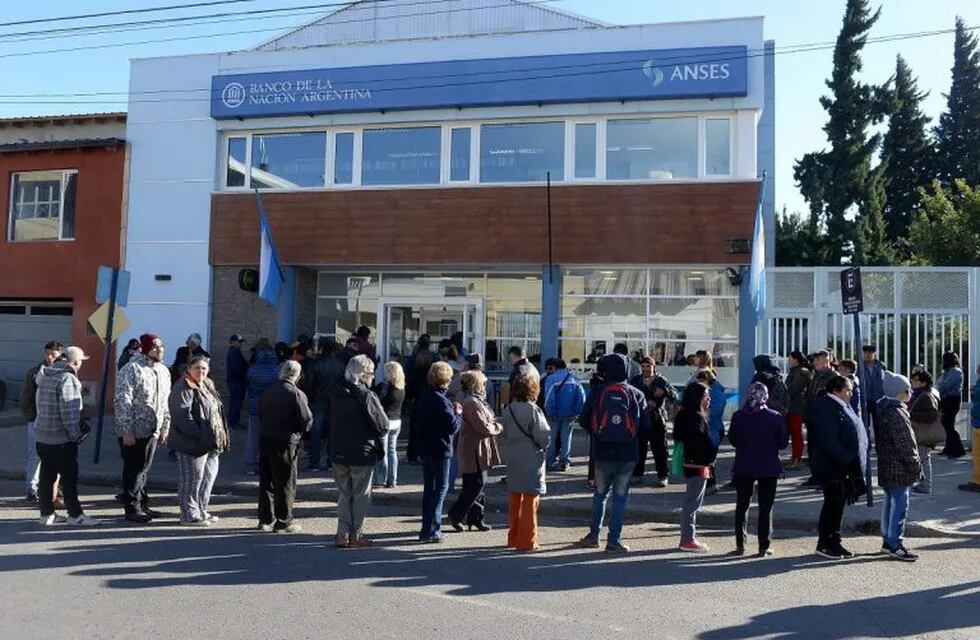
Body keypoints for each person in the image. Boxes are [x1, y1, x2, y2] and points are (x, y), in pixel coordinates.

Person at [575, 353, 648, 553]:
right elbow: (645, 427)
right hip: (627, 454)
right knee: (620, 498)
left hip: (602, 452)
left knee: (600, 495)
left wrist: (600, 432)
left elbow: (583, 420)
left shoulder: (599, 391)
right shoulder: (636, 393)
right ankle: (613, 540)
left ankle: (593, 535)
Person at [34, 346, 98, 526]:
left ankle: (46, 514)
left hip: (42, 436)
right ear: (75, 362)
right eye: (80, 362)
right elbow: (69, 414)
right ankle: (75, 515)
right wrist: (76, 435)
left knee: (46, 477)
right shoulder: (67, 378)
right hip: (61, 440)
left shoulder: (45, 375)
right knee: (69, 479)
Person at [330, 355, 388, 548]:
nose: (373, 376)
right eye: (371, 373)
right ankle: (355, 534)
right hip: (361, 451)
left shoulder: (337, 392)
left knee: (344, 493)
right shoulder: (367, 395)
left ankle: (342, 533)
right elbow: (383, 425)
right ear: (364, 374)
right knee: (361, 495)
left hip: (338, 449)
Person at [113, 333, 172, 523]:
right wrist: (126, 430)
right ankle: (132, 508)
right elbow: (122, 401)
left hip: (153, 429)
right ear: (146, 349)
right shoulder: (132, 369)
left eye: (161, 346)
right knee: (134, 469)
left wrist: (165, 427)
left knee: (144, 469)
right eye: (155, 347)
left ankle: (143, 504)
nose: (159, 349)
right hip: (134, 430)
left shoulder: (163, 371)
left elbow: (165, 402)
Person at [809, 375, 867, 560]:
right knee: (833, 504)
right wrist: (846, 457)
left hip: (842, 465)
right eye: (848, 390)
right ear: (836, 390)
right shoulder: (827, 407)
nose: (850, 394)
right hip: (833, 466)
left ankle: (834, 540)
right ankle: (826, 543)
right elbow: (829, 440)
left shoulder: (841, 406)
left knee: (837, 504)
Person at [728, 382, 788, 556]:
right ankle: (764, 545)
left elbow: (733, 440)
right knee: (765, 507)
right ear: (766, 396)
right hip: (768, 467)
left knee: (742, 506)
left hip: (744, 465)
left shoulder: (739, 416)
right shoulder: (776, 417)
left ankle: (741, 545)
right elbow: (783, 443)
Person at [168, 355, 229, 526]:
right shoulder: (182, 387)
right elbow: (181, 417)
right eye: (197, 368)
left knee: (207, 478)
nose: (200, 371)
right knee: (192, 479)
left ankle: (201, 510)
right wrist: (200, 435)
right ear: (189, 368)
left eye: (204, 368)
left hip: (210, 443)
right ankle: (188, 515)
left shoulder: (206, 384)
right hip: (192, 444)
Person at [256, 360, 313, 533]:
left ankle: (265, 518)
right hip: (286, 441)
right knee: (286, 481)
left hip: (266, 437)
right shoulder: (296, 393)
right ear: (297, 375)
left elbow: (260, 412)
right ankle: (284, 520)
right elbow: (306, 420)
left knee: (266, 480)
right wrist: (304, 434)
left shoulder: (268, 390)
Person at [448, 370, 502, 532]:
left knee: (476, 485)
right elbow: (482, 426)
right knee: (476, 484)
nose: (485, 386)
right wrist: (497, 427)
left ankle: (476, 518)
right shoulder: (471, 402)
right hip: (472, 449)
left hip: (478, 448)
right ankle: (456, 514)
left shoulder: (477, 401)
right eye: (483, 383)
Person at [875, 373, 922, 562]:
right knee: (899, 506)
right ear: (898, 393)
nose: (910, 392)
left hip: (888, 464)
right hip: (899, 467)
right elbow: (905, 443)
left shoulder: (886, 409)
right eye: (907, 390)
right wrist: (915, 464)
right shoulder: (896, 412)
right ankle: (895, 544)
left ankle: (888, 541)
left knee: (890, 503)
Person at [501, 373, 550, 552]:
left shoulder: (509, 409)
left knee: (515, 497)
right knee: (530, 500)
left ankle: (513, 537)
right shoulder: (533, 410)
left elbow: (504, 432)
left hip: (513, 456)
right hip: (531, 456)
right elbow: (543, 436)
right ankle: (527, 540)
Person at [416, 361, 462, 543]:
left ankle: (426, 528)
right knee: (440, 489)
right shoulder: (441, 400)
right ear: (445, 379)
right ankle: (432, 529)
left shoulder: (426, 396)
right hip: (440, 449)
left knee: (430, 489)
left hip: (426, 447)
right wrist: (458, 413)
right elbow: (452, 427)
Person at [673, 381, 717, 552]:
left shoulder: (684, 414)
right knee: (692, 503)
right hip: (698, 463)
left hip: (691, 462)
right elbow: (700, 443)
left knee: (692, 502)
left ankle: (688, 536)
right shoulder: (696, 418)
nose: (709, 399)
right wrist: (711, 452)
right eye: (706, 396)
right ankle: (687, 538)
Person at [20, 341, 63, 503]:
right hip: (37, 420)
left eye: (53, 354)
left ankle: (53, 489)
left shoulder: (64, 373)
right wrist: (31, 416)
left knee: (55, 456)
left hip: (55, 422)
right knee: (34, 454)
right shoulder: (35, 373)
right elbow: (25, 398)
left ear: (60, 354)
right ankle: (31, 488)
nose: (49, 357)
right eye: (47, 353)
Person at [543, 359, 586, 473]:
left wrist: (550, 412)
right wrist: (577, 412)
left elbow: (549, 398)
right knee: (566, 437)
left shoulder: (551, 379)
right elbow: (581, 397)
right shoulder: (574, 379)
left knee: (551, 437)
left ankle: (550, 462)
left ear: (555, 367)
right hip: (569, 414)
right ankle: (564, 462)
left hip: (555, 414)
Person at [308, 338, 344, 471]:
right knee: (332, 431)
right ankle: (330, 461)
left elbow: (310, 384)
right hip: (335, 400)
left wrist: (310, 397)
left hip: (319, 399)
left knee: (316, 432)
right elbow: (343, 382)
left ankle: (314, 462)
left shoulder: (315, 364)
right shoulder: (340, 364)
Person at [245, 342, 279, 475]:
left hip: (255, 406)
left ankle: (251, 465)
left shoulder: (252, 369)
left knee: (253, 437)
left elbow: (248, 386)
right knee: (270, 437)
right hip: (272, 408)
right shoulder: (277, 370)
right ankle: (267, 463)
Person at [909, 370, 944, 495]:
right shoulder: (920, 394)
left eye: (916, 380)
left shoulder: (926, 396)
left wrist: (910, 414)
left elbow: (932, 415)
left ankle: (925, 486)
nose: (912, 382)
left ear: (923, 383)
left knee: (924, 459)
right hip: (920, 431)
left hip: (923, 433)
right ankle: (922, 484)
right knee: (921, 458)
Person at [373, 361, 406, 489]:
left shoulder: (385, 387)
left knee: (382, 452)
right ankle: (393, 480)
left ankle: (381, 479)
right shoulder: (401, 388)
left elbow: (378, 403)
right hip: (397, 420)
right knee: (393, 451)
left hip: (386, 420)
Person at [405, 343, 433, 464]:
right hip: (429, 403)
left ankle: (412, 455)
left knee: (413, 430)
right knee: (427, 430)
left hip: (416, 403)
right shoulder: (431, 375)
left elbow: (409, 390)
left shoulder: (414, 373)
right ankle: (424, 454)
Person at [785, 351, 812, 468]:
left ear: (796, 360)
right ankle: (794, 457)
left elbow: (793, 389)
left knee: (797, 434)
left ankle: (797, 459)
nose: (788, 361)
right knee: (794, 434)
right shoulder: (796, 371)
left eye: (790, 358)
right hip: (793, 406)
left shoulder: (801, 372)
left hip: (798, 406)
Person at [937, 352, 966, 458]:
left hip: (951, 400)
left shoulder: (955, 371)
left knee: (948, 424)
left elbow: (944, 386)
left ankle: (958, 449)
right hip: (947, 400)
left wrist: (939, 388)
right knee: (947, 424)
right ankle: (949, 448)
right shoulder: (949, 372)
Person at [958, 364, 980, 494]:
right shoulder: (978, 382)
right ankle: (977, 482)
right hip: (977, 422)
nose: (977, 369)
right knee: (977, 456)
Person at [226, 334, 249, 430]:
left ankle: (234, 421)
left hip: (237, 382)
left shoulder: (236, 352)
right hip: (236, 382)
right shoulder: (233, 353)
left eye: (241, 342)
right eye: (239, 342)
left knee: (236, 403)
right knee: (235, 403)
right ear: (233, 342)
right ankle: (233, 422)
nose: (241, 344)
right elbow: (236, 369)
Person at [861, 346, 886, 435]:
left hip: (878, 399)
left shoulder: (881, 366)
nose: (867, 355)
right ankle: (866, 446)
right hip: (864, 399)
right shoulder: (859, 366)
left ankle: (880, 446)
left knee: (879, 424)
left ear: (874, 354)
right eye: (866, 353)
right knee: (864, 424)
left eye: (870, 353)